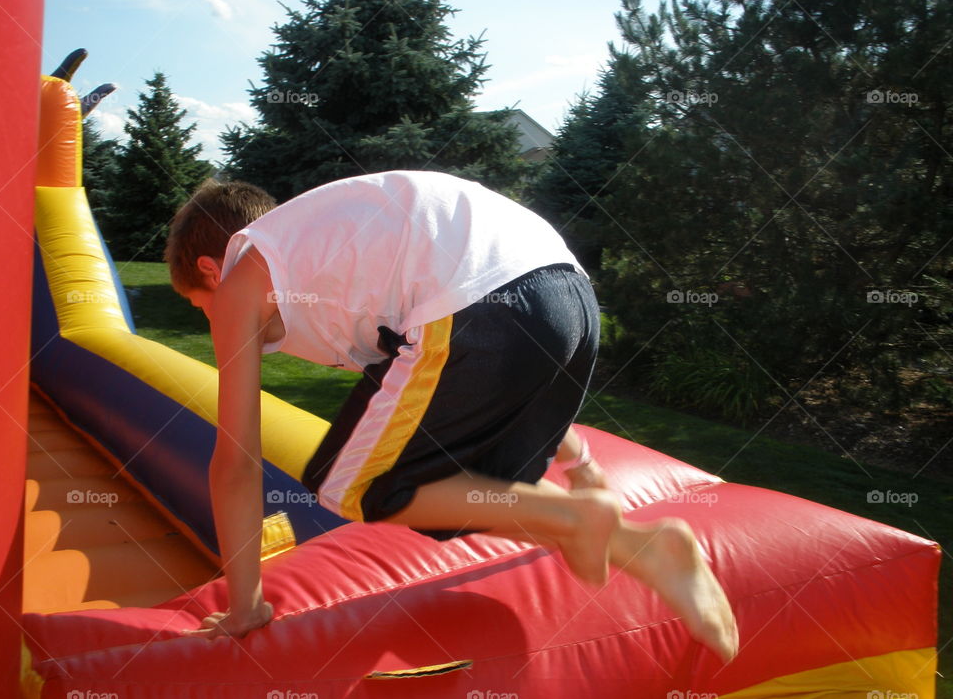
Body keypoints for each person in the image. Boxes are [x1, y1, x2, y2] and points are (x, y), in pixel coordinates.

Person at [168, 170, 738, 662]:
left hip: (485, 307)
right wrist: (580, 461)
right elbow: (468, 354)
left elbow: (236, 462)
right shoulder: (337, 259)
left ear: (210, 271)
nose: (209, 321)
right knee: (461, 493)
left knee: (348, 483)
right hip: (569, 301)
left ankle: (583, 523)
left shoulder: (246, 275)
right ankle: (640, 546)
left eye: (199, 306)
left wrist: (245, 606)